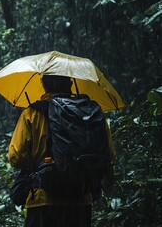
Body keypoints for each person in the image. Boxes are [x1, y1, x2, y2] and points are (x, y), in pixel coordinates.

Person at [8, 75, 116, 227]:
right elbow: (109, 156)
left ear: (43, 84)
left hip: (43, 198)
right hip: (80, 199)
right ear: (71, 83)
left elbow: (16, 157)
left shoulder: (32, 113)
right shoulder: (90, 113)